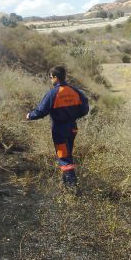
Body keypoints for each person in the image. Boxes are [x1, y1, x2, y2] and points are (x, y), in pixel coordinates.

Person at [26, 66, 89, 194]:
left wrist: (29, 116)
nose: (50, 80)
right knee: (67, 155)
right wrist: (73, 116)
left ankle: (73, 190)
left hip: (59, 130)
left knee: (63, 158)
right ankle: (66, 185)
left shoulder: (53, 93)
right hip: (72, 128)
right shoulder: (75, 91)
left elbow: (41, 111)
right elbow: (85, 109)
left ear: (55, 77)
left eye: (51, 77)